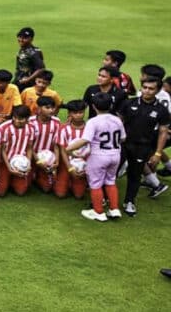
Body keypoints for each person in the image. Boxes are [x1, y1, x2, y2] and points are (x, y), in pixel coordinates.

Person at [65, 93, 124, 222]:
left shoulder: (93, 122)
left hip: (98, 157)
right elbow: (123, 138)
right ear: (111, 105)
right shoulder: (117, 120)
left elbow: (85, 140)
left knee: (95, 184)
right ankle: (114, 209)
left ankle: (98, 212)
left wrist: (69, 149)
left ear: (93, 106)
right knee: (110, 181)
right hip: (115, 155)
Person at [118, 78, 170, 216]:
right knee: (113, 172)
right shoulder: (129, 103)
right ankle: (105, 198)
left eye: (151, 88)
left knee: (135, 176)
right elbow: (118, 122)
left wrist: (158, 153)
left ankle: (129, 201)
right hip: (123, 144)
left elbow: (163, 132)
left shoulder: (161, 110)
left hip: (142, 147)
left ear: (158, 90)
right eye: (144, 87)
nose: (146, 91)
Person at [0, 106, 37, 197]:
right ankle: (6, 178)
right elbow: (2, 150)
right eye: (15, 118)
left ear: (27, 119)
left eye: (21, 119)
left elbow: (29, 148)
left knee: (21, 192)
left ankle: (14, 181)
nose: (17, 121)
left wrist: (28, 164)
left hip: (21, 162)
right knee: (1, 193)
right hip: (5, 162)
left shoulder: (31, 128)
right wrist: (9, 168)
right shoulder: (4, 127)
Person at [29, 96, 62, 194]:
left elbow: (56, 143)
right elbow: (29, 145)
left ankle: (42, 175)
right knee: (22, 188)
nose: (51, 110)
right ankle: (34, 174)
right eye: (47, 108)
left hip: (48, 159)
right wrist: (37, 161)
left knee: (47, 188)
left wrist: (56, 161)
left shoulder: (57, 122)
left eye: (52, 108)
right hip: (32, 157)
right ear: (39, 108)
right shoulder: (30, 122)